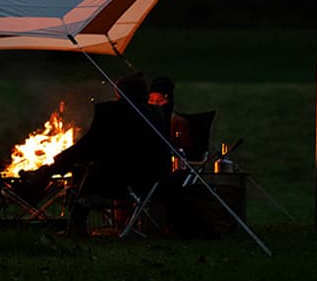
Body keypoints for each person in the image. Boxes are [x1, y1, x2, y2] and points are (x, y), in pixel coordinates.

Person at [28, 72, 174, 203]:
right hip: (155, 182)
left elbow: (90, 145)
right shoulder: (158, 114)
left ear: (119, 92)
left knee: (83, 168)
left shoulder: (113, 112)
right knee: (83, 163)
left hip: (121, 182)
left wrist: (59, 160)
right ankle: (42, 178)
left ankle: (74, 220)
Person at [148, 76, 194, 154]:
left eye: (160, 100)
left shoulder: (178, 123)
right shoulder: (145, 120)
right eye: (151, 100)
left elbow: (184, 150)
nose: (155, 104)